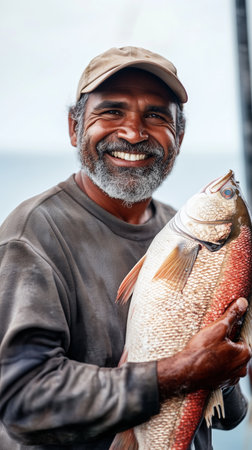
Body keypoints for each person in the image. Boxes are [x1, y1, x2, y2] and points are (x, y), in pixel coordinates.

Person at [0, 46, 251, 450]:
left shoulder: (189, 238)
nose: (133, 133)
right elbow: (24, 402)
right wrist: (179, 372)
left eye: (155, 115)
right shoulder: (33, 234)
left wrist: (224, 369)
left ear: (179, 137)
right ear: (74, 128)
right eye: (111, 112)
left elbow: (226, 416)